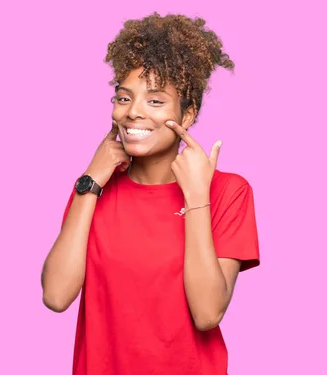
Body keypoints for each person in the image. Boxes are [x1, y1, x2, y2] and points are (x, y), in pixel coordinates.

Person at [40, 12, 261, 375]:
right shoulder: (92, 188)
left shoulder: (228, 191)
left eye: (155, 101)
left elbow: (207, 313)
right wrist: (91, 180)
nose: (133, 113)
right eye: (124, 98)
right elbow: (56, 296)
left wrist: (196, 199)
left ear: (187, 115)